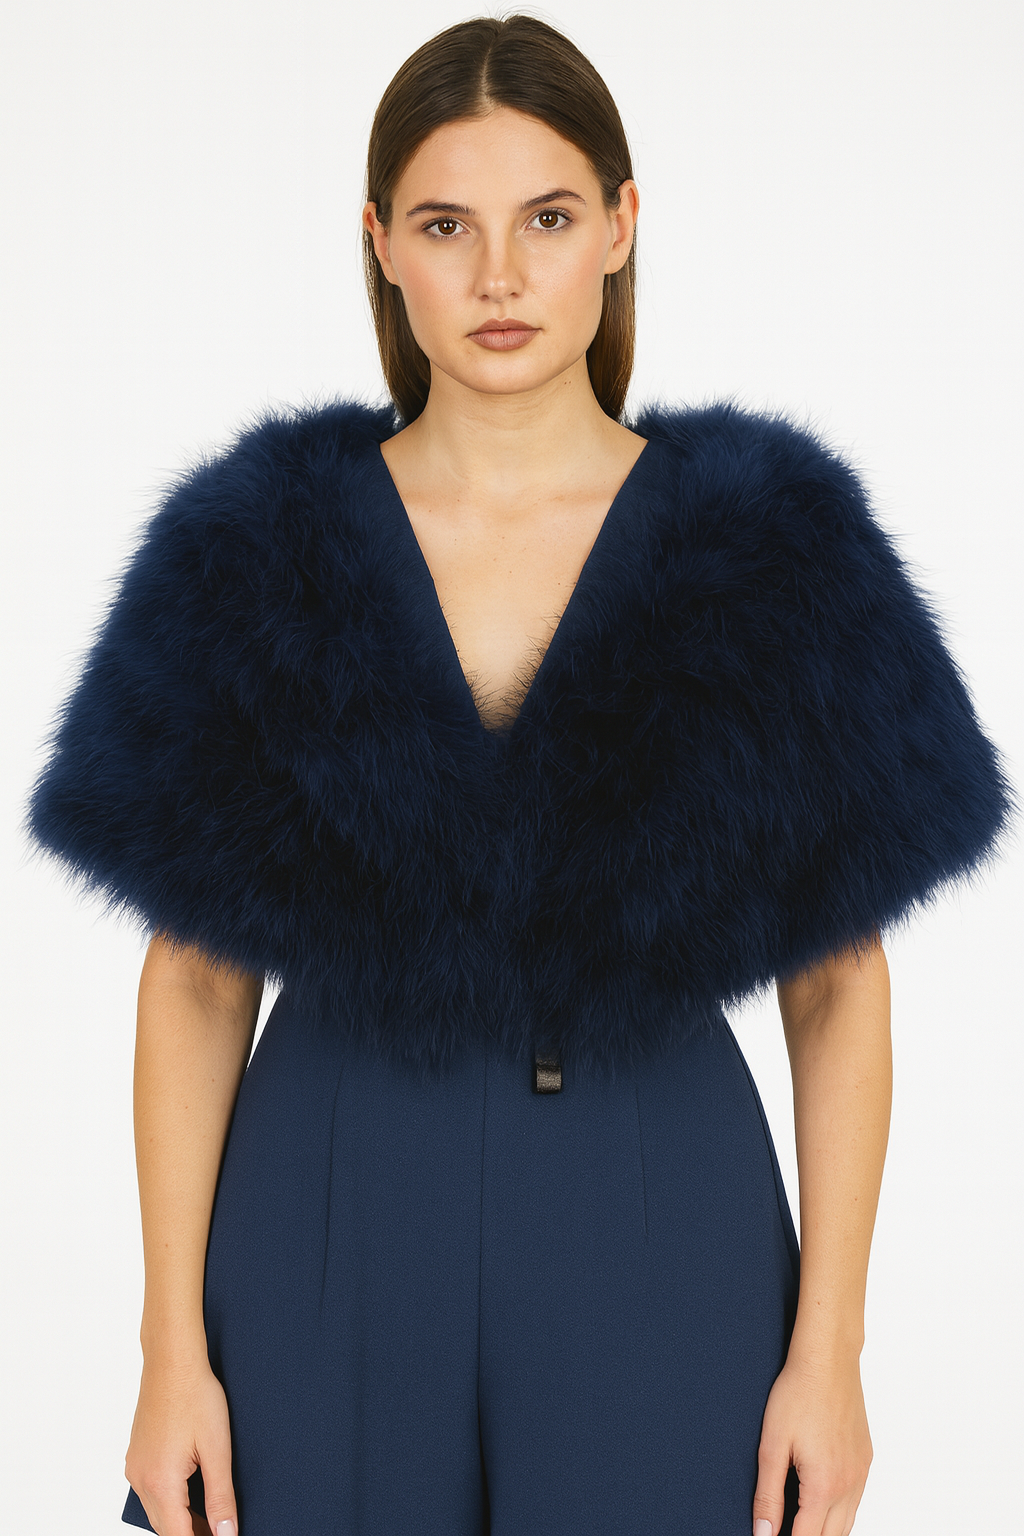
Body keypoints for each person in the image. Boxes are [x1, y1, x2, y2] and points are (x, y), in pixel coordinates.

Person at [24, 15, 1013, 1536]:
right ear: (380, 243)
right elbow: (196, 977)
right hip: (331, 1208)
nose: (499, 276)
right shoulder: (256, 548)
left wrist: (831, 1355)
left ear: (621, 223)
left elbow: (837, 982)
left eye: (546, 219)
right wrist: (170, 1352)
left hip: (657, 1204)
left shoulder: (773, 550)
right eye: (446, 225)